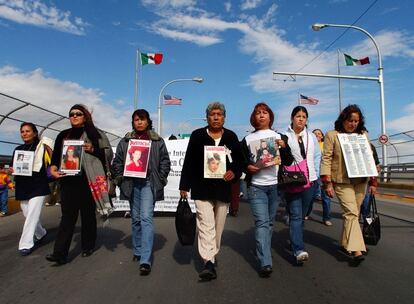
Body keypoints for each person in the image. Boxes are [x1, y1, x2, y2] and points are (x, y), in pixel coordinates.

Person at [179, 102, 242, 281]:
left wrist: (234, 172)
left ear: (224, 117)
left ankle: (211, 255)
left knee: (218, 227)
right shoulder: (197, 136)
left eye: (219, 114)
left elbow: (239, 161)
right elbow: (189, 162)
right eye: (212, 114)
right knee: (206, 225)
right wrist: (184, 186)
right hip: (201, 189)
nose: (215, 117)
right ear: (207, 117)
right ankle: (209, 262)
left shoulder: (231, 137)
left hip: (223, 190)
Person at [46, 104, 113, 265]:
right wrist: (53, 169)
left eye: (78, 114)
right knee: (67, 217)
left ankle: (88, 245)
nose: (74, 116)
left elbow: (108, 154)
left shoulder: (94, 134)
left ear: (85, 117)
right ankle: (59, 253)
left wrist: (93, 149)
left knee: (88, 216)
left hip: (88, 182)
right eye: (71, 114)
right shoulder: (63, 135)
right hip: (68, 182)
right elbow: (55, 159)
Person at [112, 109, 170, 275]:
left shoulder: (156, 141)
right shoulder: (125, 141)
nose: (139, 122)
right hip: (131, 183)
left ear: (148, 121)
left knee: (146, 218)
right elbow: (117, 162)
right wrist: (120, 177)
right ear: (133, 122)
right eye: (136, 119)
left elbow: (165, 161)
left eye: (142, 119)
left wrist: (161, 178)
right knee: (136, 218)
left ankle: (145, 259)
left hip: (148, 183)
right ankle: (138, 250)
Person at [241, 102, 293, 277]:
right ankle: (265, 261)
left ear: (270, 116)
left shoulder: (279, 136)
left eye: (264, 112)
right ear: (253, 118)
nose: (261, 115)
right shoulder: (247, 139)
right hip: (256, 187)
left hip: (275, 187)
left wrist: (284, 148)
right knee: (262, 223)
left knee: (270, 223)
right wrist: (248, 166)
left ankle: (264, 250)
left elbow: (288, 161)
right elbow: (241, 162)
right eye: (258, 113)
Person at [320, 104, 377, 261]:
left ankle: (345, 243)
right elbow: (326, 158)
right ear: (343, 119)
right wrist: (327, 182)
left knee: (353, 213)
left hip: (361, 181)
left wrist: (373, 181)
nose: (353, 124)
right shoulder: (332, 135)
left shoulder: (363, 135)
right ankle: (357, 249)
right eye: (350, 120)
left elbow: (369, 158)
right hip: (341, 181)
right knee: (351, 213)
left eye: (356, 121)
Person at [283, 106, 321, 264]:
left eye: (304, 116)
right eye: (298, 116)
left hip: (310, 180)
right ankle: (298, 249)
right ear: (292, 118)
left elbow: (317, 156)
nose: (301, 119)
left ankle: (294, 235)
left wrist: (316, 175)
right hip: (292, 180)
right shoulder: (284, 136)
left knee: (302, 214)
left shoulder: (311, 137)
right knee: (297, 214)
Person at [11, 122, 52, 255]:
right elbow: (14, 167)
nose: (24, 134)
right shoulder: (18, 149)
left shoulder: (42, 147)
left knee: (32, 214)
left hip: (38, 184)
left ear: (35, 133)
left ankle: (25, 244)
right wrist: (11, 170)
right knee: (27, 213)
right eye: (22, 131)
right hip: (23, 185)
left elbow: (52, 159)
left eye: (28, 131)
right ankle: (41, 233)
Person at [306, 128, 333, 226]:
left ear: (322, 136)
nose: (317, 135)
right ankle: (307, 213)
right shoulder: (309, 146)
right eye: (315, 134)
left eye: (319, 133)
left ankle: (326, 218)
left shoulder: (326, 146)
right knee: (310, 197)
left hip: (324, 175)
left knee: (326, 198)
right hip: (312, 175)